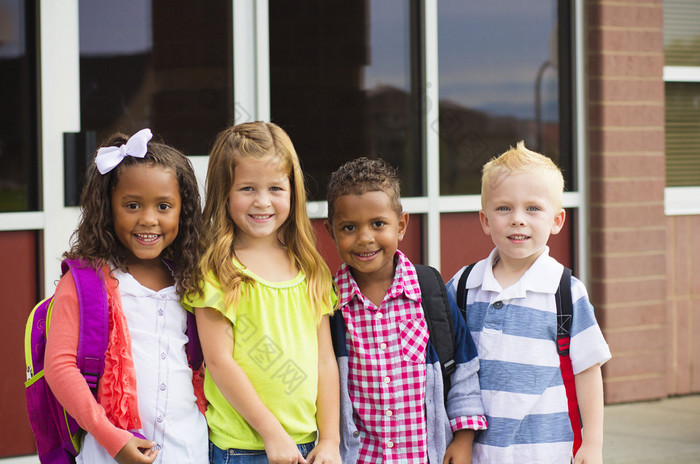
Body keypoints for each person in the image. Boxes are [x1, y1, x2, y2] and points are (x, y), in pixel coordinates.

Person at [44, 128, 208, 463]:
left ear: (183, 210)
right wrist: (112, 439)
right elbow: (59, 367)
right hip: (110, 450)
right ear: (108, 208)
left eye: (164, 206)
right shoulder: (85, 282)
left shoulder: (192, 279)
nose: (148, 219)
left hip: (187, 449)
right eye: (132, 205)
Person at [184, 121, 340, 464]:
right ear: (224, 191)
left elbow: (326, 361)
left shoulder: (310, 268)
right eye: (247, 189)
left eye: (275, 188)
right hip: (242, 449)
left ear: (292, 192)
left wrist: (330, 438)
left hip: (309, 446)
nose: (262, 202)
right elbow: (220, 362)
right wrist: (272, 434)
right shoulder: (217, 270)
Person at [446, 142, 612, 464]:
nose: (518, 219)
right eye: (504, 208)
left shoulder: (565, 292)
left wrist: (592, 443)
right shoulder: (464, 286)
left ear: (557, 220)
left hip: (547, 451)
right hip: (479, 452)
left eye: (533, 208)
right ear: (484, 219)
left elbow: (587, 373)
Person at [324, 157, 487, 464]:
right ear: (331, 232)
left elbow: (464, 370)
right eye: (349, 227)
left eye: (378, 224)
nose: (364, 238)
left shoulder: (430, 292)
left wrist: (463, 439)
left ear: (400, 225)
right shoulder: (329, 306)